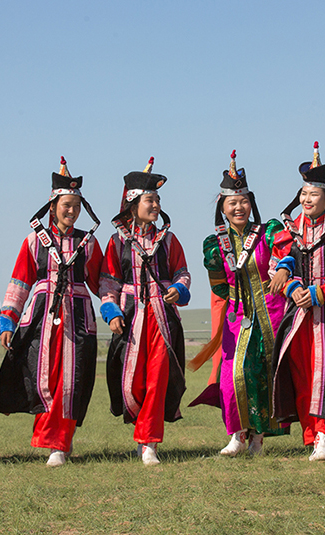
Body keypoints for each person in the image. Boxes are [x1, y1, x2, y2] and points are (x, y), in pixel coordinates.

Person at [0, 157, 103, 467]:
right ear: (53, 206)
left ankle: (60, 444)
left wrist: (113, 306)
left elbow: (101, 282)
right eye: (66, 205)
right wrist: (8, 319)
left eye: (76, 206)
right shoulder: (34, 241)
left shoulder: (88, 244)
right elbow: (19, 282)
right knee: (43, 380)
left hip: (78, 319)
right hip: (40, 319)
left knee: (71, 380)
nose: (72, 211)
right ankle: (50, 438)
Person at [189, 150, 289, 456]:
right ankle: (236, 433)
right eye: (232, 203)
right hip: (237, 317)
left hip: (271, 314)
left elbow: (284, 255)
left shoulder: (268, 230)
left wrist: (283, 270)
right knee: (232, 376)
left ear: (251, 202)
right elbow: (217, 285)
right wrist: (235, 303)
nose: (239, 207)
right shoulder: (214, 242)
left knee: (261, 375)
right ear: (223, 206)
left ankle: (258, 437)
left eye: (243, 201)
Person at [269, 142, 325, 461]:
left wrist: (321, 292)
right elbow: (275, 265)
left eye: (314, 195)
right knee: (301, 371)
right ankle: (310, 435)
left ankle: (324, 436)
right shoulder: (287, 231)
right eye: (304, 194)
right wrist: (292, 288)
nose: (307, 200)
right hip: (297, 315)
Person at [100, 157, 191, 466]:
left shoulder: (168, 240)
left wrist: (178, 289)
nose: (155, 205)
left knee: (157, 379)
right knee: (134, 382)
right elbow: (108, 282)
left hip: (163, 320)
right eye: (150, 199)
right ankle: (142, 432)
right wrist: (110, 310)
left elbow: (183, 273)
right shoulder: (116, 243)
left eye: (157, 200)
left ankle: (149, 442)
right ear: (133, 203)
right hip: (130, 320)